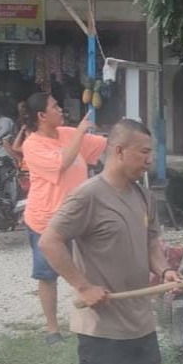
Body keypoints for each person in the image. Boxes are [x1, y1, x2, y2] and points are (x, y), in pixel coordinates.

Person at [40, 118, 182, 364]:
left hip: (139, 321)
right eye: (144, 152)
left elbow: (151, 240)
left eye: (150, 153)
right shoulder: (87, 196)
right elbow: (50, 241)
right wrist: (83, 286)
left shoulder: (142, 196)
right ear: (119, 151)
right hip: (100, 326)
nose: (149, 161)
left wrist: (164, 271)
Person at [20, 88, 108, 342]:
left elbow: (103, 146)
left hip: (80, 217)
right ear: (41, 115)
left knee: (87, 271)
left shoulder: (68, 134)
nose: (61, 110)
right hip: (46, 220)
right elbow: (62, 164)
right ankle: (52, 329)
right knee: (48, 275)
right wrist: (81, 132)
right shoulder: (32, 145)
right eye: (55, 107)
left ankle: (91, 323)